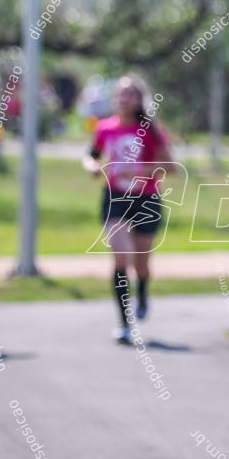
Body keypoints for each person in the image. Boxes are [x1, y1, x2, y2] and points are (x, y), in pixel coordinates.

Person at [82, 75, 172, 344]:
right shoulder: (105, 128)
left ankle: (142, 287)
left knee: (140, 263)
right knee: (121, 259)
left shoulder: (151, 130)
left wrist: (140, 169)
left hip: (146, 199)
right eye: (120, 94)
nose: (123, 99)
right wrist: (91, 167)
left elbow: (171, 166)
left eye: (130, 94)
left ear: (139, 99)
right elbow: (92, 155)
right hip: (115, 197)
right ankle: (124, 324)